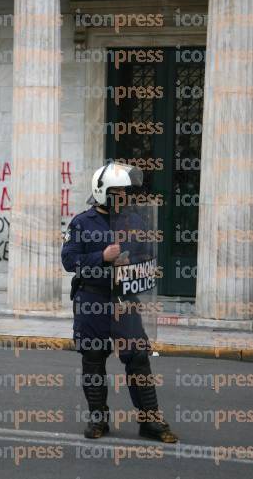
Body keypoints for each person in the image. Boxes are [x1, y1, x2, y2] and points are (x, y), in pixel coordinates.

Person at [61, 162, 178, 442]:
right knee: (93, 359)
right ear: (101, 192)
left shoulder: (134, 221)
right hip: (92, 298)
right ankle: (98, 419)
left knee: (137, 357)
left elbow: (145, 254)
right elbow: (69, 260)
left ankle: (149, 421)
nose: (123, 198)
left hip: (125, 298)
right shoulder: (82, 222)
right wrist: (101, 256)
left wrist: (134, 262)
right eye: (117, 193)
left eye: (126, 192)